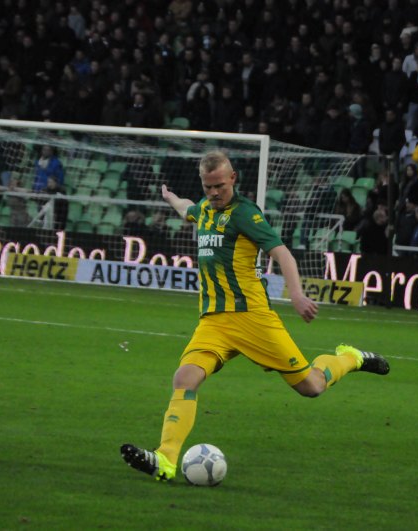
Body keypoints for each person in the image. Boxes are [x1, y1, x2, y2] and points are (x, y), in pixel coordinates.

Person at [120, 151, 390, 481]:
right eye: (208, 187)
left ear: (232, 178)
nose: (214, 193)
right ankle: (165, 458)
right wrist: (171, 197)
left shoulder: (246, 214)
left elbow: (283, 254)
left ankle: (349, 358)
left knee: (311, 386)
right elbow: (186, 207)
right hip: (214, 322)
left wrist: (296, 293)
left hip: (252, 318)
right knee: (184, 378)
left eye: (219, 185)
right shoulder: (204, 209)